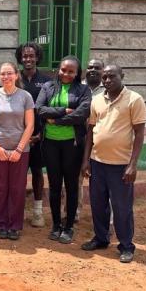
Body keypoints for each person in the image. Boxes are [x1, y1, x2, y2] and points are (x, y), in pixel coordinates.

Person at [80, 65, 146, 263]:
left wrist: (132, 164)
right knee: (98, 205)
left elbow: (140, 133)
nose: (107, 80)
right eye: (105, 77)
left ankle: (126, 245)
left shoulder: (134, 99)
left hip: (120, 165)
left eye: (112, 76)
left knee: (121, 207)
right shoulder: (97, 100)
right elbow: (91, 131)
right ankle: (101, 238)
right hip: (97, 162)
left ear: (122, 76)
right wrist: (86, 160)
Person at [36, 56, 91, 244]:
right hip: (50, 143)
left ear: (77, 73)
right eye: (63, 70)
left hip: (72, 145)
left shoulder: (83, 90)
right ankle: (56, 225)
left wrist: (56, 120)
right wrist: (63, 111)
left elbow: (82, 113)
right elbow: (40, 109)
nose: (66, 74)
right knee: (54, 185)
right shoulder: (48, 87)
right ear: (58, 70)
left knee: (71, 186)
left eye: (70, 71)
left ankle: (68, 227)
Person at [0, 62, 35, 240]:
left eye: (9, 73)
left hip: (20, 150)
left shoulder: (25, 96)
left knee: (17, 188)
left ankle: (14, 225)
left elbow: (30, 125)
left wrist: (19, 149)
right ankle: (1, 224)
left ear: (16, 75)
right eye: (3, 74)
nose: (6, 77)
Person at [16, 42, 51, 228]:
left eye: (31, 56)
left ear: (37, 57)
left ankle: (38, 211)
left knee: (37, 171)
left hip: (37, 137)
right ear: (20, 58)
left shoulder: (45, 81)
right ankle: (18, 210)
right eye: (24, 56)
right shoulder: (15, 78)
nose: (28, 59)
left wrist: (40, 134)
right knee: (18, 175)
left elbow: (47, 110)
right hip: (17, 136)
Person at [76, 58, 105, 222]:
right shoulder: (78, 87)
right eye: (90, 67)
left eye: (97, 68)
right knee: (76, 180)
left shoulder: (109, 88)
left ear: (103, 70)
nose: (93, 70)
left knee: (101, 182)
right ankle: (74, 213)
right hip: (79, 139)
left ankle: (103, 218)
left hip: (101, 141)